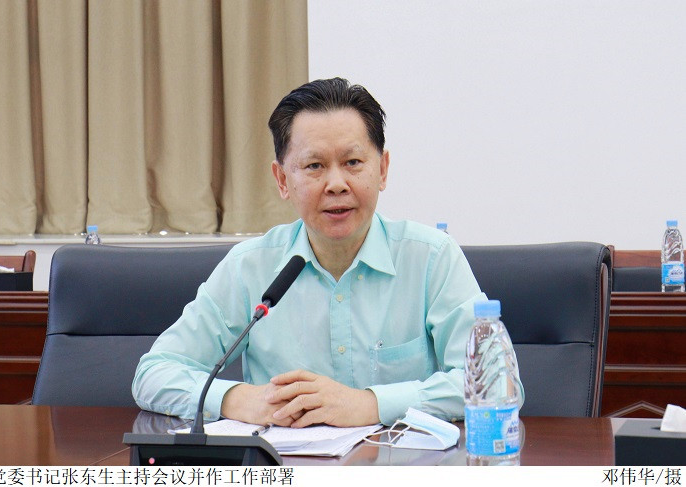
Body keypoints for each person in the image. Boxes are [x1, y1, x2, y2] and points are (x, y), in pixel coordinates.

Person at [132, 77, 486, 428]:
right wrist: (238, 399)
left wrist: (370, 404)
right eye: (314, 166)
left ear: (382, 170)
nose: (336, 184)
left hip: (398, 459)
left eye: (352, 162)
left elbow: (491, 383)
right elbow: (154, 373)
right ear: (282, 180)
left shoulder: (431, 259)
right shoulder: (250, 267)